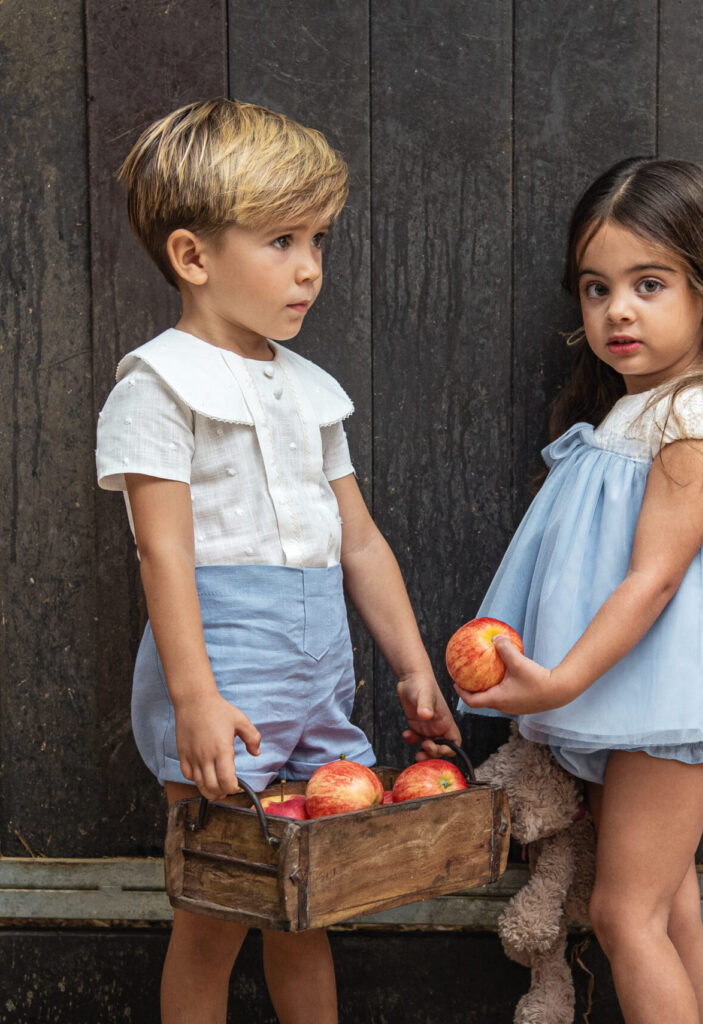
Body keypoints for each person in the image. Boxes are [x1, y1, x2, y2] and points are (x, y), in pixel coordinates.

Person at [96, 98, 460, 1024]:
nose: (310, 269)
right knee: (214, 911)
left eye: (319, 240)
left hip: (317, 678)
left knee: (310, 906)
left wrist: (413, 668)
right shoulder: (159, 383)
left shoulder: (311, 391)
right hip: (228, 682)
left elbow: (361, 541)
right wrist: (195, 699)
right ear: (194, 255)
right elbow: (164, 553)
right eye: (282, 240)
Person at [458, 157, 703, 1024]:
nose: (616, 309)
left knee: (625, 916)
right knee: (667, 913)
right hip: (645, 698)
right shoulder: (641, 410)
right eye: (596, 288)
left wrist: (557, 683)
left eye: (648, 283)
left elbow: (654, 580)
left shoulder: (690, 418)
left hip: (671, 699)